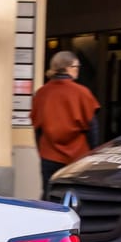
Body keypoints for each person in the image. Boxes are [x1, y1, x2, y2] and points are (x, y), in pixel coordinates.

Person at [30, 51, 101, 199]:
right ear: (68, 68)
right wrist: (92, 154)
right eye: (76, 66)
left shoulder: (41, 94)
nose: (77, 70)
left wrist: (42, 153)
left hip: (49, 155)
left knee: (49, 195)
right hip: (77, 156)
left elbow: (38, 129)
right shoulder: (82, 93)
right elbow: (92, 128)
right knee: (75, 198)